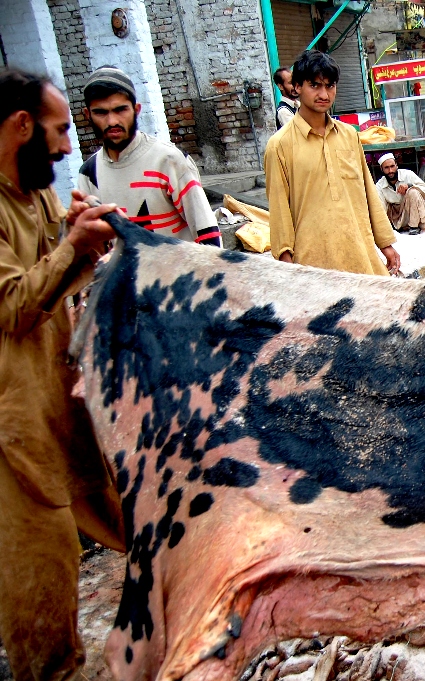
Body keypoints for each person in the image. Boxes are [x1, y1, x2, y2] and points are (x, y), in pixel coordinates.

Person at [0, 67, 126, 681]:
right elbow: (13, 305)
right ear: (21, 126)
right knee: (41, 568)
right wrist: (71, 246)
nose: (67, 146)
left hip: (58, 399)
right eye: (56, 131)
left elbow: (58, 280)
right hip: (12, 424)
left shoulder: (36, 195)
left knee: (120, 512)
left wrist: (83, 239)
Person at [265, 50, 399, 275]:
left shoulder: (349, 135)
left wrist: (385, 243)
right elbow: (279, 210)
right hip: (313, 265)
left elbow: (367, 192)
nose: (324, 94)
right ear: (296, 87)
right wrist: (287, 266)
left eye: (330, 86)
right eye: (315, 85)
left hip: (360, 255)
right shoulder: (279, 145)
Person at [77, 66, 221, 246]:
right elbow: (95, 247)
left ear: (136, 110)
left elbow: (208, 235)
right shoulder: (89, 174)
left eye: (120, 110)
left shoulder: (168, 161)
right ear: (87, 115)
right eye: (101, 112)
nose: (112, 121)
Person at [375, 153, 425, 235]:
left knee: (413, 191)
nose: (390, 171)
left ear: (396, 166)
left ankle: (414, 226)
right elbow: (381, 207)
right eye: (386, 168)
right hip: (396, 217)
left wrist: (410, 186)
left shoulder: (408, 175)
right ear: (381, 169)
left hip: (412, 211)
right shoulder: (380, 185)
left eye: (392, 166)